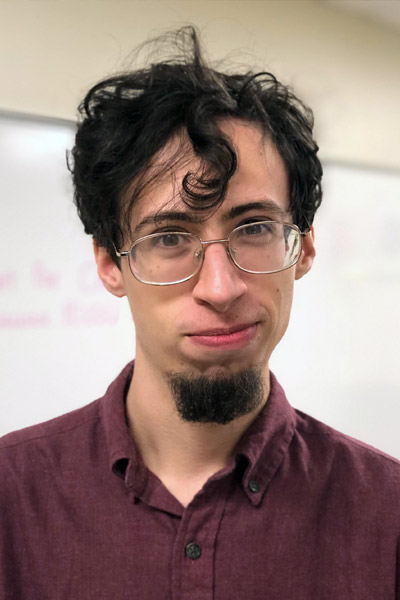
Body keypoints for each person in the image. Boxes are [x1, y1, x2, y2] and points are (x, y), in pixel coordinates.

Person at [1, 26, 399, 599]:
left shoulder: (387, 513)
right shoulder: (12, 500)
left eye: (256, 228)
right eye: (168, 238)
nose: (220, 287)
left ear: (304, 247)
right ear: (110, 265)